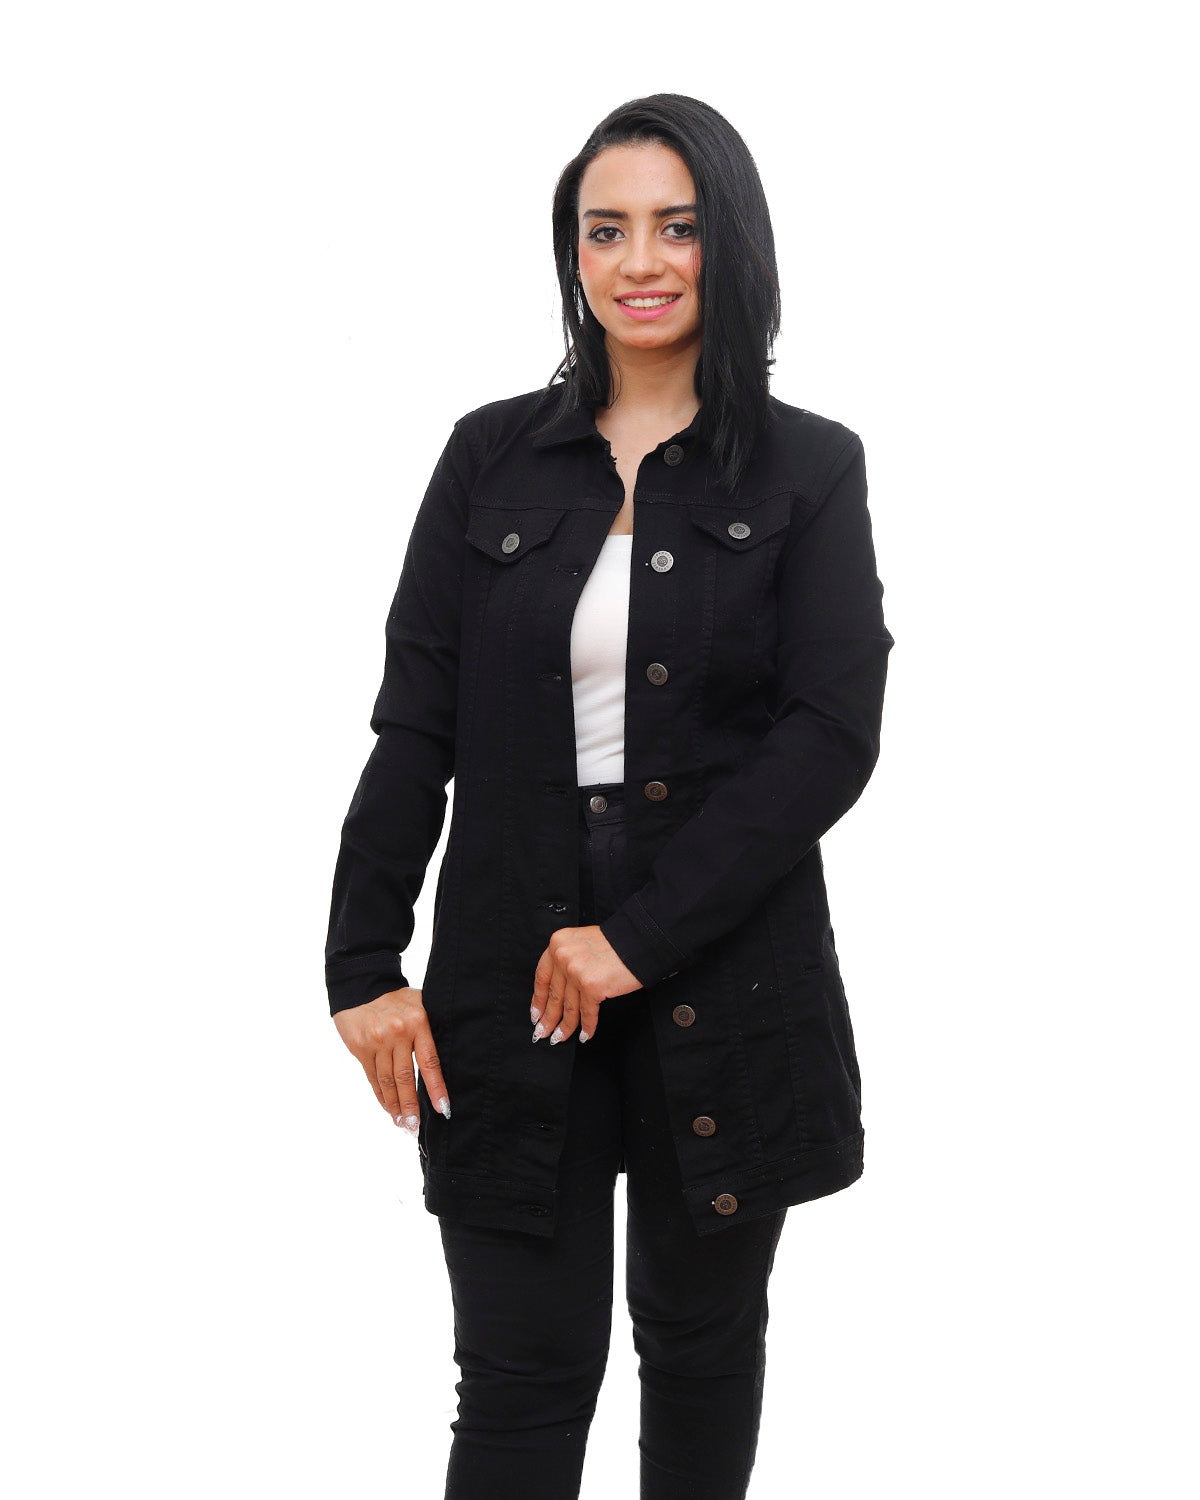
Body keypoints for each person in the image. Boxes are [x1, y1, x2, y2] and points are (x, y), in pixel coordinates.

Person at [325, 93, 894, 1500]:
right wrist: (361, 965)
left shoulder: (811, 467)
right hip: (506, 972)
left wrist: (635, 939)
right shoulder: (489, 456)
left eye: (677, 227)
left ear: (730, 244)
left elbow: (829, 736)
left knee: (699, 1363)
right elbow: (416, 722)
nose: (640, 261)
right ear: (571, 253)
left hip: (725, 965)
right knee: (519, 1384)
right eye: (606, 229)